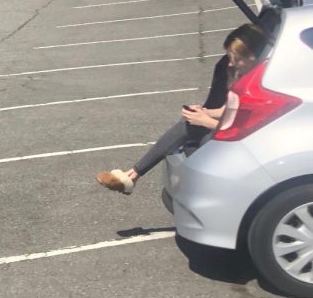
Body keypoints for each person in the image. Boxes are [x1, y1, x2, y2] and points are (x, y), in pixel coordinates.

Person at [95, 23, 271, 195]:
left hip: (252, 146)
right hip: (236, 137)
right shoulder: (250, 77)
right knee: (190, 124)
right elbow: (229, 110)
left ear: (253, 56)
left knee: (200, 141)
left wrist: (206, 121)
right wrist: (205, 112)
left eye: (236, 58)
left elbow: (246, 131)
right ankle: (133, 175)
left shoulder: (263, 85)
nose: (231, 64)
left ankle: (140, 177)